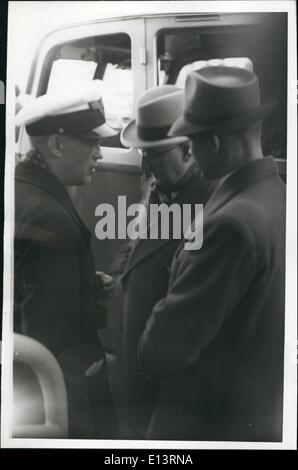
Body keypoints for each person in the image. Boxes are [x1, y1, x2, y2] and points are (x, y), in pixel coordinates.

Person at [138, 66, 286, 441]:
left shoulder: (228, 225)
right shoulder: (277, 194)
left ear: (216, 142)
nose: (191, 150)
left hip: (206, 422)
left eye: (193, 139)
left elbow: (165, 347)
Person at [110, 85, 216, 439]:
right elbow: (135, 242)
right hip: (136, 358)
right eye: (143, 153)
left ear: (188, 150)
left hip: (163, 377)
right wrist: (118, 276)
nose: (145, 164)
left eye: (154, 154)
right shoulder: (159, 189)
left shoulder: (211, 204)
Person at [14, 81, 118, 438]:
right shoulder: (51, 218)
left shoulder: (21, 188)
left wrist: (82, 285)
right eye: (92, 142)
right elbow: (53, 346)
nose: (99, 153)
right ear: (57, 145)